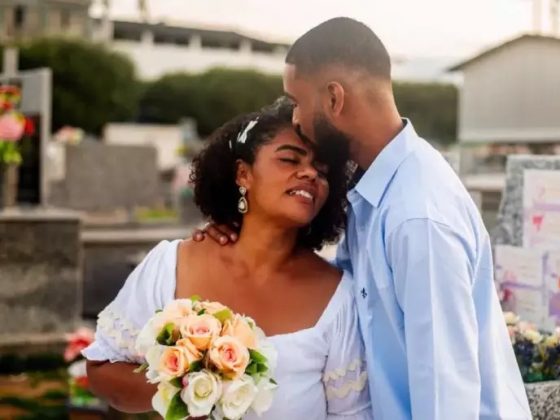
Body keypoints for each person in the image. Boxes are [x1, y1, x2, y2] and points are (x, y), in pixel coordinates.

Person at [198, 17, 531, 420]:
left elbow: (445, 393)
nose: (296, 120)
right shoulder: (376, 190)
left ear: (334, 98)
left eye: (298, 102)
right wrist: (246, 233)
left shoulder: (417, 217)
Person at [82, 99, 372, 419]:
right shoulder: (172, 264)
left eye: (322, 171)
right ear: (242, 174)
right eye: (290, 159)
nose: (309, 174)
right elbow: (102, 369)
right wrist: (188, 389)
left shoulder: (338, 296)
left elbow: (352, 413)